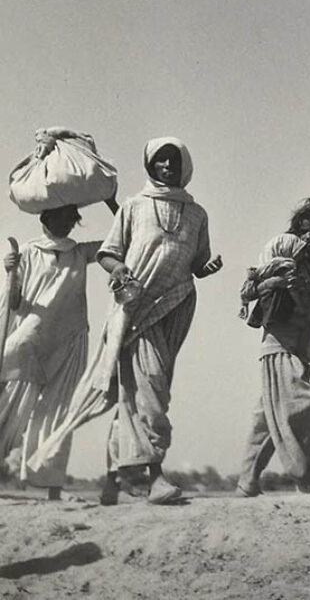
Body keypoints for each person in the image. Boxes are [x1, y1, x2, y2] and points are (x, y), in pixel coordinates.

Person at [31, 138, 222, 505]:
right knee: (150, 388)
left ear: (184, 165)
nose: (167, 165)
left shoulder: (197, 214)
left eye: (173, 159)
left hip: (177, 304)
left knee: (135, 394)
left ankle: (112, 479)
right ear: (150, 165)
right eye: (160, 160)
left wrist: (207, 268)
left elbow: (197, 262)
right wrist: (120, 271)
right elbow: (108, 253)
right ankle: (156, 476)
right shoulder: (134, 207)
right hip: (135, 308)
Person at [0, 203, 114, 500]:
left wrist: (111, 200)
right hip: (30, 337)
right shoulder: (26, 252)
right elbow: (14, 303)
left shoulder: (80, 252)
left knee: (59, 412)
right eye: (59, 215)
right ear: (45, 218)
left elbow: (123, 237)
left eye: (70, 217)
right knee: (8, 406)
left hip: (70, 338)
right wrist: (9, 271)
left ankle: (53, 489)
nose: (65, 221)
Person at [236, 197, 310, 496]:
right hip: (278, 344)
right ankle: (306, 476)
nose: (308, 237)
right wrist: (279, 283)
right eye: (303, 231)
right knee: (300, 405)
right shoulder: (281, 261)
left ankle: (247, 480)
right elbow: (250, 291)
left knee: (267, 417)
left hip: (305, 349)